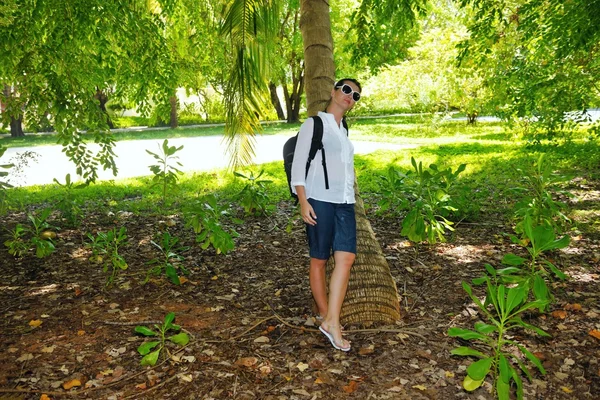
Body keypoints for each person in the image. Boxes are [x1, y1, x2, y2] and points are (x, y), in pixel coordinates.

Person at [290, 78, 362, 352]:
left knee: (346, 257)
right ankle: (327, 317)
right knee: (319, 259)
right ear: (333, 91)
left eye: (355, 95)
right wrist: (303, 200)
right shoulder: (313, 124)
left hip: (344, 201)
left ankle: (331, 320)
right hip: (319, 200)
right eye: (346, 90)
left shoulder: (344, 129)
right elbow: (299, 165)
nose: (350, 96)